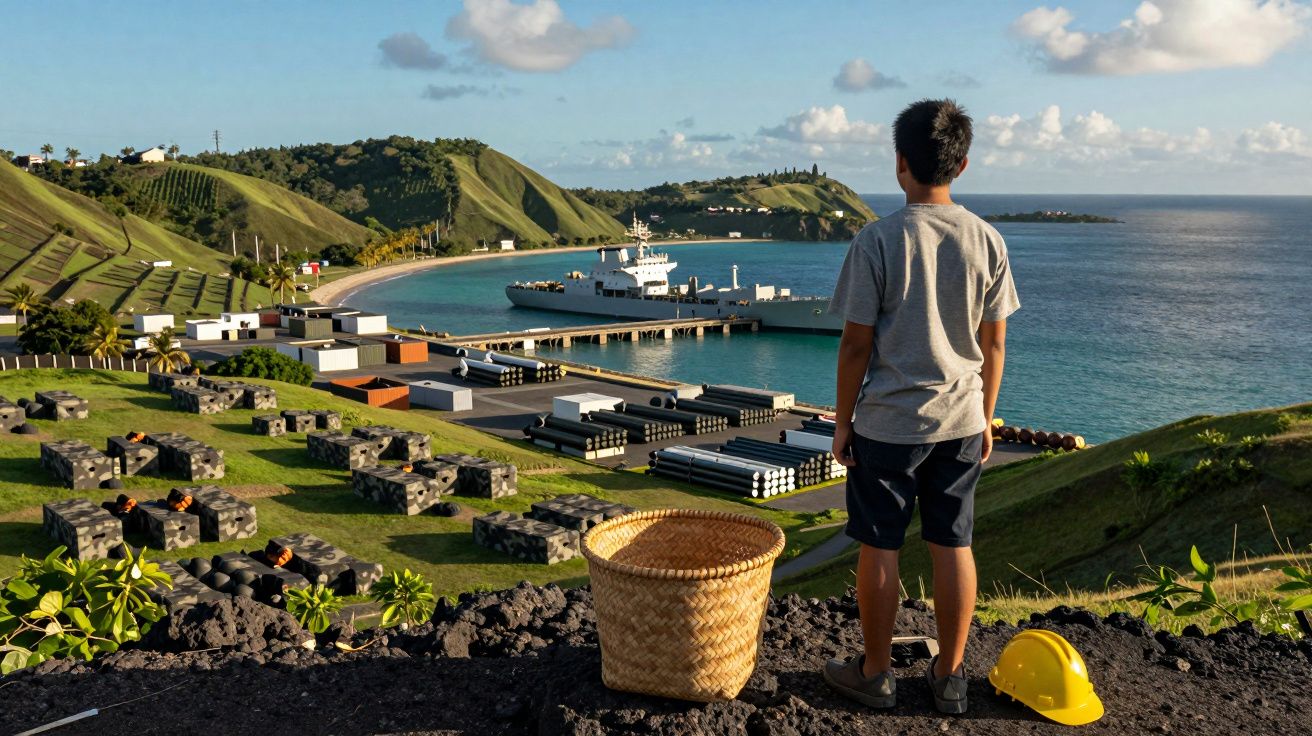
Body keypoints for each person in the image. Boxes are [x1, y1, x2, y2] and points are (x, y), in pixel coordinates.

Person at [822, 98, 1019, 715]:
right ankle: (951, 678)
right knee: (953, 544)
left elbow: (856, 346)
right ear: (962, 165)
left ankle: (875, 674)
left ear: (899, 163)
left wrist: (843, 422)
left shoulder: (876, 240)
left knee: (879, 545)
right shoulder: (987, 240)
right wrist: (987, 418)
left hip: (887, 423)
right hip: (961, 420)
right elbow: (994, 344)